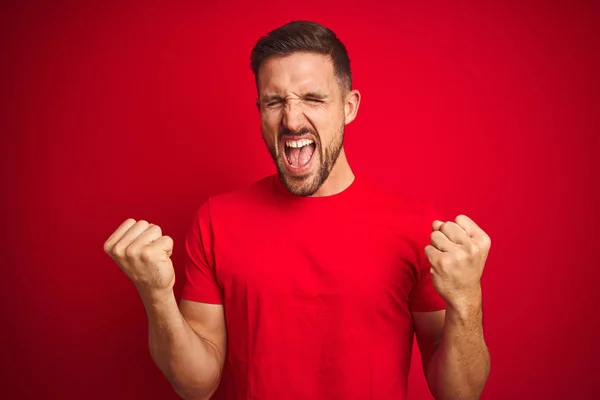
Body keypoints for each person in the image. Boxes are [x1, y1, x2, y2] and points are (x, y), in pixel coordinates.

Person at [103, 20, 491, 400]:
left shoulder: (418, 229)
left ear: (349, 106)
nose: (291, 119)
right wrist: (156, 295)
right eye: (275, 102)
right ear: (260, 110)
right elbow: (196, 386)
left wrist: (468, 299)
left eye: (313, 99)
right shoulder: (216, 221)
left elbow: (459, 393)